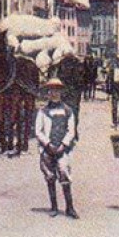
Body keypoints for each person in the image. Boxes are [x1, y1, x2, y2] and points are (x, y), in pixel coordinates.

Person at [35, 77, 78, 219]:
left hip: (62, 150)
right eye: (51, 90)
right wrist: (48, 144)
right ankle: (54, 206)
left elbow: (71, 131)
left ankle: (69, 207)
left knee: (64, 173)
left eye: (57, 91)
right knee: (50, 176)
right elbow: (38, 131)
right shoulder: (43, 112)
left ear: (61, 93)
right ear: (48, 93)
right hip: (47, 149)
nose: (54, 93)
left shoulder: (68, 111)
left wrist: (63, 145)